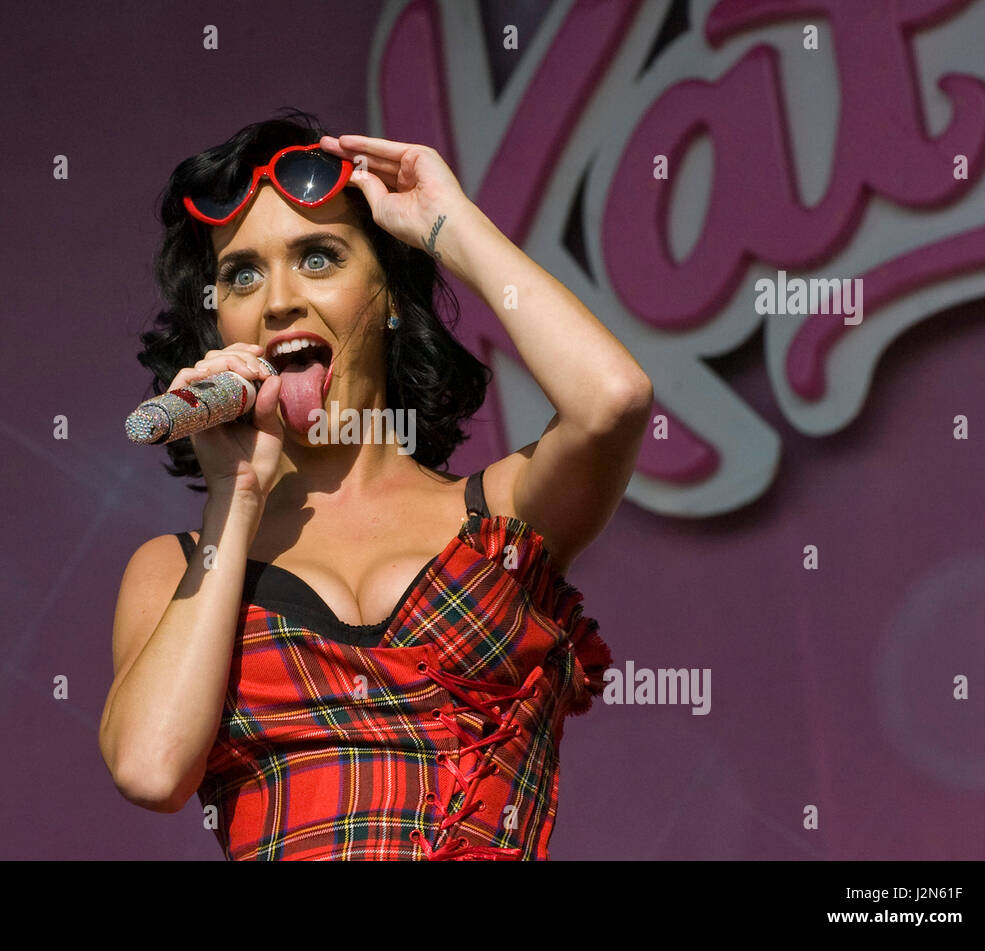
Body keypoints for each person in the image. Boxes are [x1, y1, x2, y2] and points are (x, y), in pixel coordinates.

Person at [99, 108, 652, 860]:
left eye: (318, 257)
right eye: (242, 274)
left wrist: (448, 224)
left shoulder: (500, 518)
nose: (279, 299)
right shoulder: (175, 567)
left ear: (390, 294)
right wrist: (234, 494)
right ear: (217, 323)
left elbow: (611, 399)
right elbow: (151, 766)